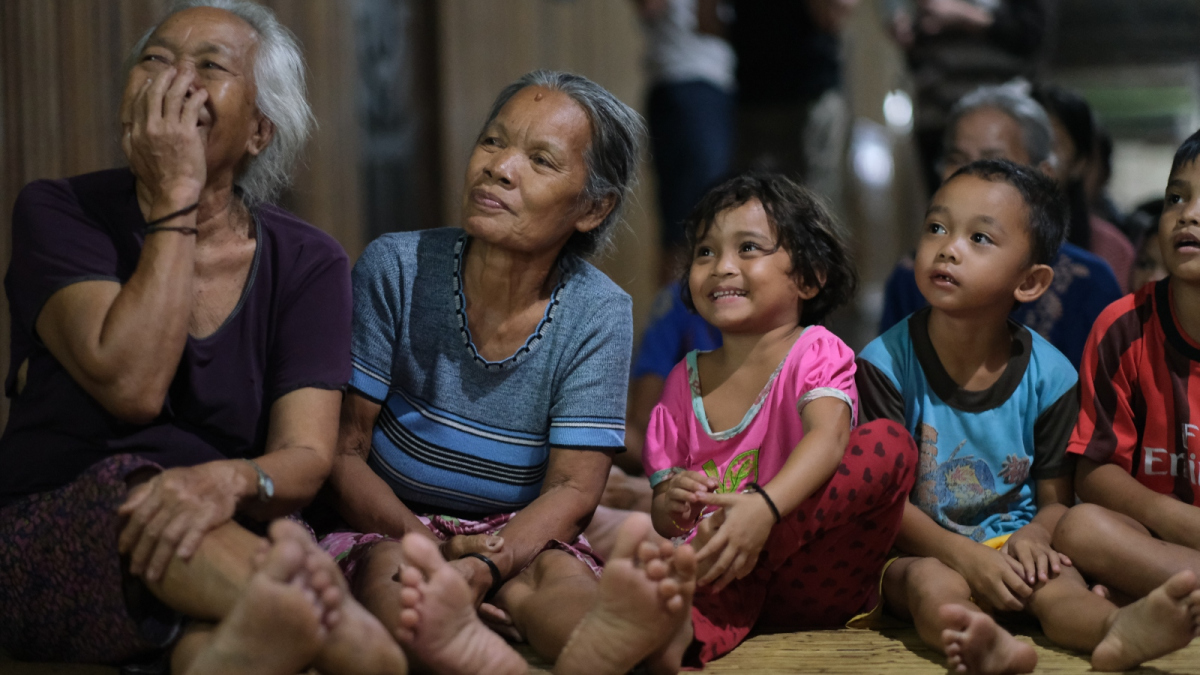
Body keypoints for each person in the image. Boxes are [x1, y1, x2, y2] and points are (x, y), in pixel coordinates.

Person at [0, 2, 405, 672]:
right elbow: (131, 384)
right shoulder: (58, 209)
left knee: (230, 643)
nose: (173, 81)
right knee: (348, 644)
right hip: (65, 514)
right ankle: (327, 635)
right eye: (155, 61)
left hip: (228, 515)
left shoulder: (310, 260)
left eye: (209, 67)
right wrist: (175, 200)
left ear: (259, 130)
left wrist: (226, 479)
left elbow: (304, 455)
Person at [322, 70, 698, 674]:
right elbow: (344, 449)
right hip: (391, 524)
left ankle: (608, 647)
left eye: (540, 159)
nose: (499, 167)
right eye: (493, 142)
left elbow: (573, 490)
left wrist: (487, 563)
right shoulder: (396, 266)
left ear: (593, 207)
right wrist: (435, 548)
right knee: (398, 588)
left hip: (516, 533)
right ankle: (475, 654)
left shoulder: (598, 311)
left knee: (558, 588)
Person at [858, 159, 1200, 674]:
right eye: (937, 227)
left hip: (1016, 544)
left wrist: (1036, 538)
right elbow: (885, 505)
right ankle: (980, 644)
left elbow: (1055, 503)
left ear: (1031, 281)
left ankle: (1116, 632)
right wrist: (964, 556)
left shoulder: (1051, 375)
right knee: (932, 587)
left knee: (1060, 587)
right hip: (917, 548)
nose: (948, 247)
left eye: (980, 238)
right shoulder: (884, 365)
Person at [644, 173, 919, 667]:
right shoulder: (681, 383)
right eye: (705, 252)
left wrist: (762, 513)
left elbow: (830, 437)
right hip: (717, 573)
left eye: (748, 248)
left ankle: (688, 617)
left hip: (809, 574)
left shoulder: (815, 351)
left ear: (809, 277)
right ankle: (656, 642)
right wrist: (674, 503)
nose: (721, 267)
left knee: (888, 444)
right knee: (652, 585)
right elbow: (663, 515)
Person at [1054, 129, 1200, 664]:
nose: (1188, 214)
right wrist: (1178, 519)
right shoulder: (1122, 327)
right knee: (1079, 528)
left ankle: (1154, 605)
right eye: (1176, 198)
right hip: (1151, 539)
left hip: (1157, 562)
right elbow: (1093, 475)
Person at [879, 82, 1123, 368]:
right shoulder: (912, 277)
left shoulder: (1090, 282)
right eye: (957, 159)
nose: (970, 175)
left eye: (993, 161)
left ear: (1044, 175)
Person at [885, 0, 1048, 195]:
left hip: (1004, 112)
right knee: (946, 202)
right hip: (936, 110)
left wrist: (963, 14)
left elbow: (1032, 32)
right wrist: (904, 25)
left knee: (1007, 203)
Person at [631, 0, 736, 275]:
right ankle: (677, 313)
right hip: (685, 81)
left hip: (722, 86)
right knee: (690, 220)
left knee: (713, 216)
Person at [729, 0, 859, 215]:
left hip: (756, 91)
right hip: (806, 88)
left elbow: (707, 21)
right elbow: (832, 14)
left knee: (760, 211)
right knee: (814, 211)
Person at [1032, 84, 1136, 293]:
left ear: (1079, 164)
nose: (1036, 157)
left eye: (1051, 144)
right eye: (1031, 142)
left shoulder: (1111, 251)